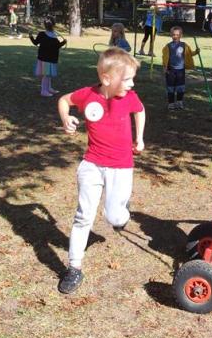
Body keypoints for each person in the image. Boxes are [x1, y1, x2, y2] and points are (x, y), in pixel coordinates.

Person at [56, 48, 145, 294]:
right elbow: (64, 100)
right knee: (83, 215)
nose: (132, 84)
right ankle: (74, 267)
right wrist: (65, 119)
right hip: (92, 164)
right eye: (127, 79)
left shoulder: (129, 97)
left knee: (114, 218)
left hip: (121, 167)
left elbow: (140, 110)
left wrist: (139, 138)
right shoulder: (88, 95)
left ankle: (121, 214)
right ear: (107, 78)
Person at [162, 26, 199, 110]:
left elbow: (189, 54)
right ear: (171, 35)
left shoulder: (184, 45)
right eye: (173, 34)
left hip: (180, 70)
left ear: (181, 35)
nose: (175, 36)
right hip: (171, 70)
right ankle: (171, 103)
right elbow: (164, 57)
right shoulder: (168, 46)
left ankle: (179, 102)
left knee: (180, 87)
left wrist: (196, 52)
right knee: (170, 87)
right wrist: (165, 67)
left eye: (177, 35)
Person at [30, 19, 67, 97]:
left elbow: (36, 42)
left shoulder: (49, 34)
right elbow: (57, 46)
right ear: (53, 25)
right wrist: (64, 42)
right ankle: (44, 91)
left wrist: (31, 37)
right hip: (46, 58)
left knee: (48, 74)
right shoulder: (48, 35)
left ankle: (49, 88)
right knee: (46, 75)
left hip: (48, 58)